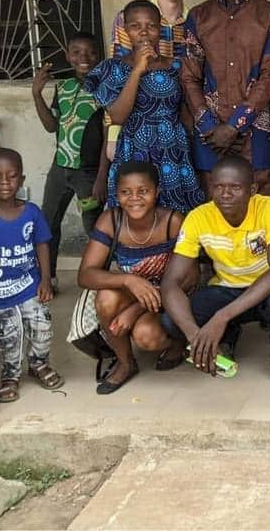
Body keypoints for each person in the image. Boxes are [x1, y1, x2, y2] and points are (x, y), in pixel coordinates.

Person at [159, 156, 270, 384]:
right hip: (226, 289)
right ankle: (227, 335)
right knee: (170, 321)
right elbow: (170, 283)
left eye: (234, 187)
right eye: (218, 187)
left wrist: (220, 317)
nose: (225, 194)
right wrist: (195, 336)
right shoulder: (198, 217)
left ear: (252, 189)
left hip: (266, 290)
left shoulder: (269, 208)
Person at [181, 0, 270, 197]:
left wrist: (235, 125)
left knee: (261, 208)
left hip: (255, 132)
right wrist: (209, 126)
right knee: (214, 208)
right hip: (210, 136)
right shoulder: (198, 16)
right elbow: (189, 76)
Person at [85, 0, 204, 214]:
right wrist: (138, 69)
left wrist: (191, 154)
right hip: (134, 150)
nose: (144, 32)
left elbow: (186, 114)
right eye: (135, 26)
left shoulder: (177, 65)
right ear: (125, 30)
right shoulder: (113, 68)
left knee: (174, 215)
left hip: (173, 151)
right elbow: (118, 116)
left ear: (160, 28)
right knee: (136, 211)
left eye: (151, 25)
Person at [77, 161, 185, 394]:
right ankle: (125, 362)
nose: (134, 198)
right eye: (126, 192)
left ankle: (178, 342)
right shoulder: (111, 221)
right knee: (106, 298)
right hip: (135, 292)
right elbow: (86, 274)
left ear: (157, 192)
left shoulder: (172, 222)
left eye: (143, 191)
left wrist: (136, 309)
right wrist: (128, 280)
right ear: (117, 195)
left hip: (169, 297)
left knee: (147, 337)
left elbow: (188, 279)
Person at [0, 148, 62, 403]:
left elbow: (42, 243)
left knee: (42, 327)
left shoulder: (31, 212)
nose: (5, 182)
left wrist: (45, 279)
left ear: (22, 179)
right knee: (8, 335)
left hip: (31, 285)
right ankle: (10, 375)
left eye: (12, 176)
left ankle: (39, 364)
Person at [33, 31, 107, 288]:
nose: (83, 57)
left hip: (88, 175)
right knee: (48, 222)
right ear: (68, 55)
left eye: (90, 52)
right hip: (59, 169)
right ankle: (49, 277)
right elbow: (52, 126)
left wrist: (101, 178)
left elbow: (108, 137)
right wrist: (36, 94)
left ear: (99, 56)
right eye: (76, 52)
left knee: (94, 229)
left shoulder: (104, 90)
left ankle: (102, 279)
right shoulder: (63, 87)